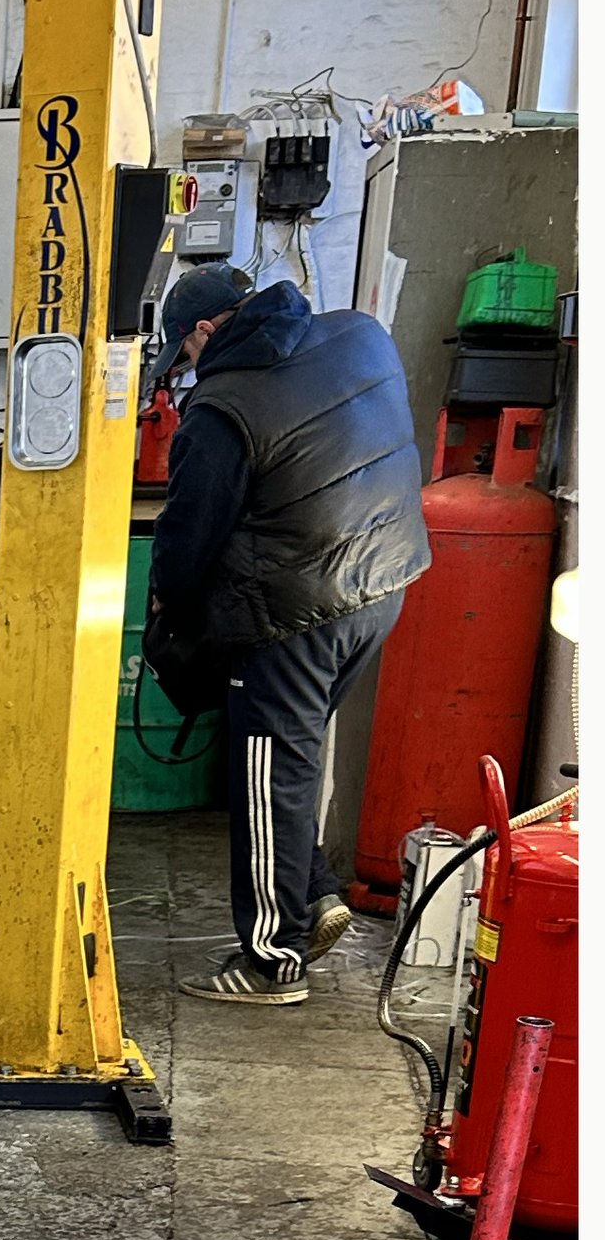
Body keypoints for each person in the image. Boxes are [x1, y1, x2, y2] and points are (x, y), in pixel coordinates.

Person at [145, 264, 430, 1004]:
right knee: (287, 761)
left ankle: (274, 958)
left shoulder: (222, 406)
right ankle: (316, 894)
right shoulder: (359, 336)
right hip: (383, 583)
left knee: (267, 775)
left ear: (205, 331)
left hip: (294, 611)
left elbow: (188, 536)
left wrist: (168, 605)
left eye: (185, 352)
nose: (188, 368)